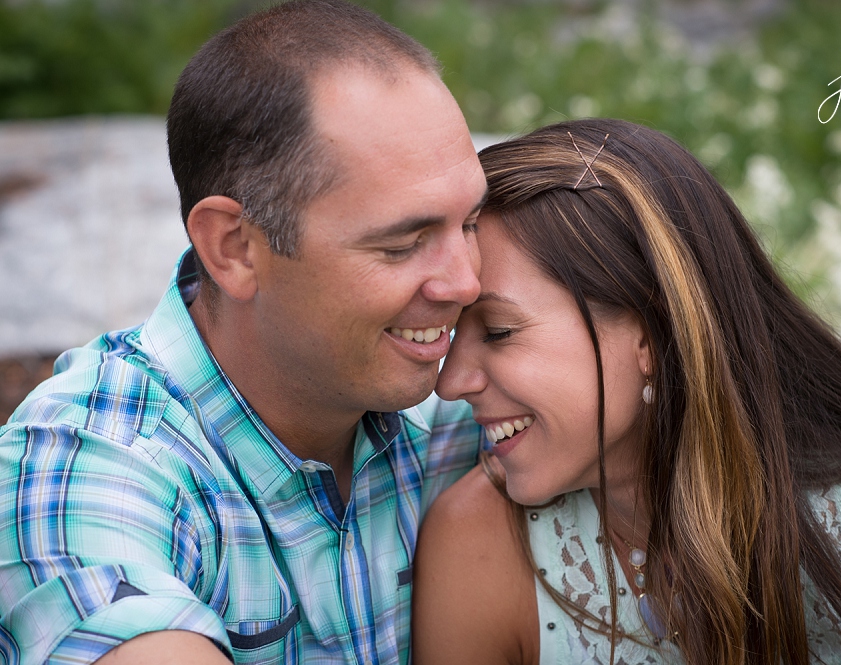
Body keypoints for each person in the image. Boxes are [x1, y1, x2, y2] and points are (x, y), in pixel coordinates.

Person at [0, 1, 487, 663]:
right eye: (404, 243)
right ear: (235, 248)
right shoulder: (81, 467)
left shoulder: (471, 402)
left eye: (471, 224)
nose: (464, 283)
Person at [412, 118, 841, 665]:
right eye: (453, 328)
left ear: (654, 332)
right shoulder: (479, 549)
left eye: (499, 331)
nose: (452, 380)